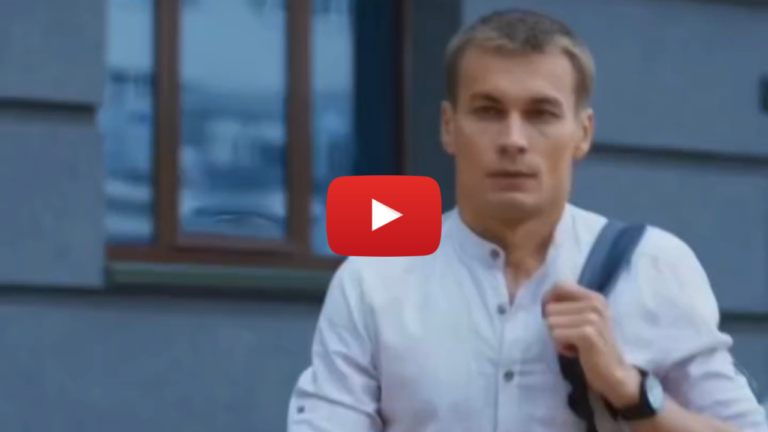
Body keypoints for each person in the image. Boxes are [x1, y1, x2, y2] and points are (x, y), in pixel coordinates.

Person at [286, 8, 768, 432]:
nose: (513, 140)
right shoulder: (374, 282)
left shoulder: (652, 268)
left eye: (541, 114)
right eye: (488, 111)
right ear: (449, 128)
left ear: (582, 133)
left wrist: (629, 389)